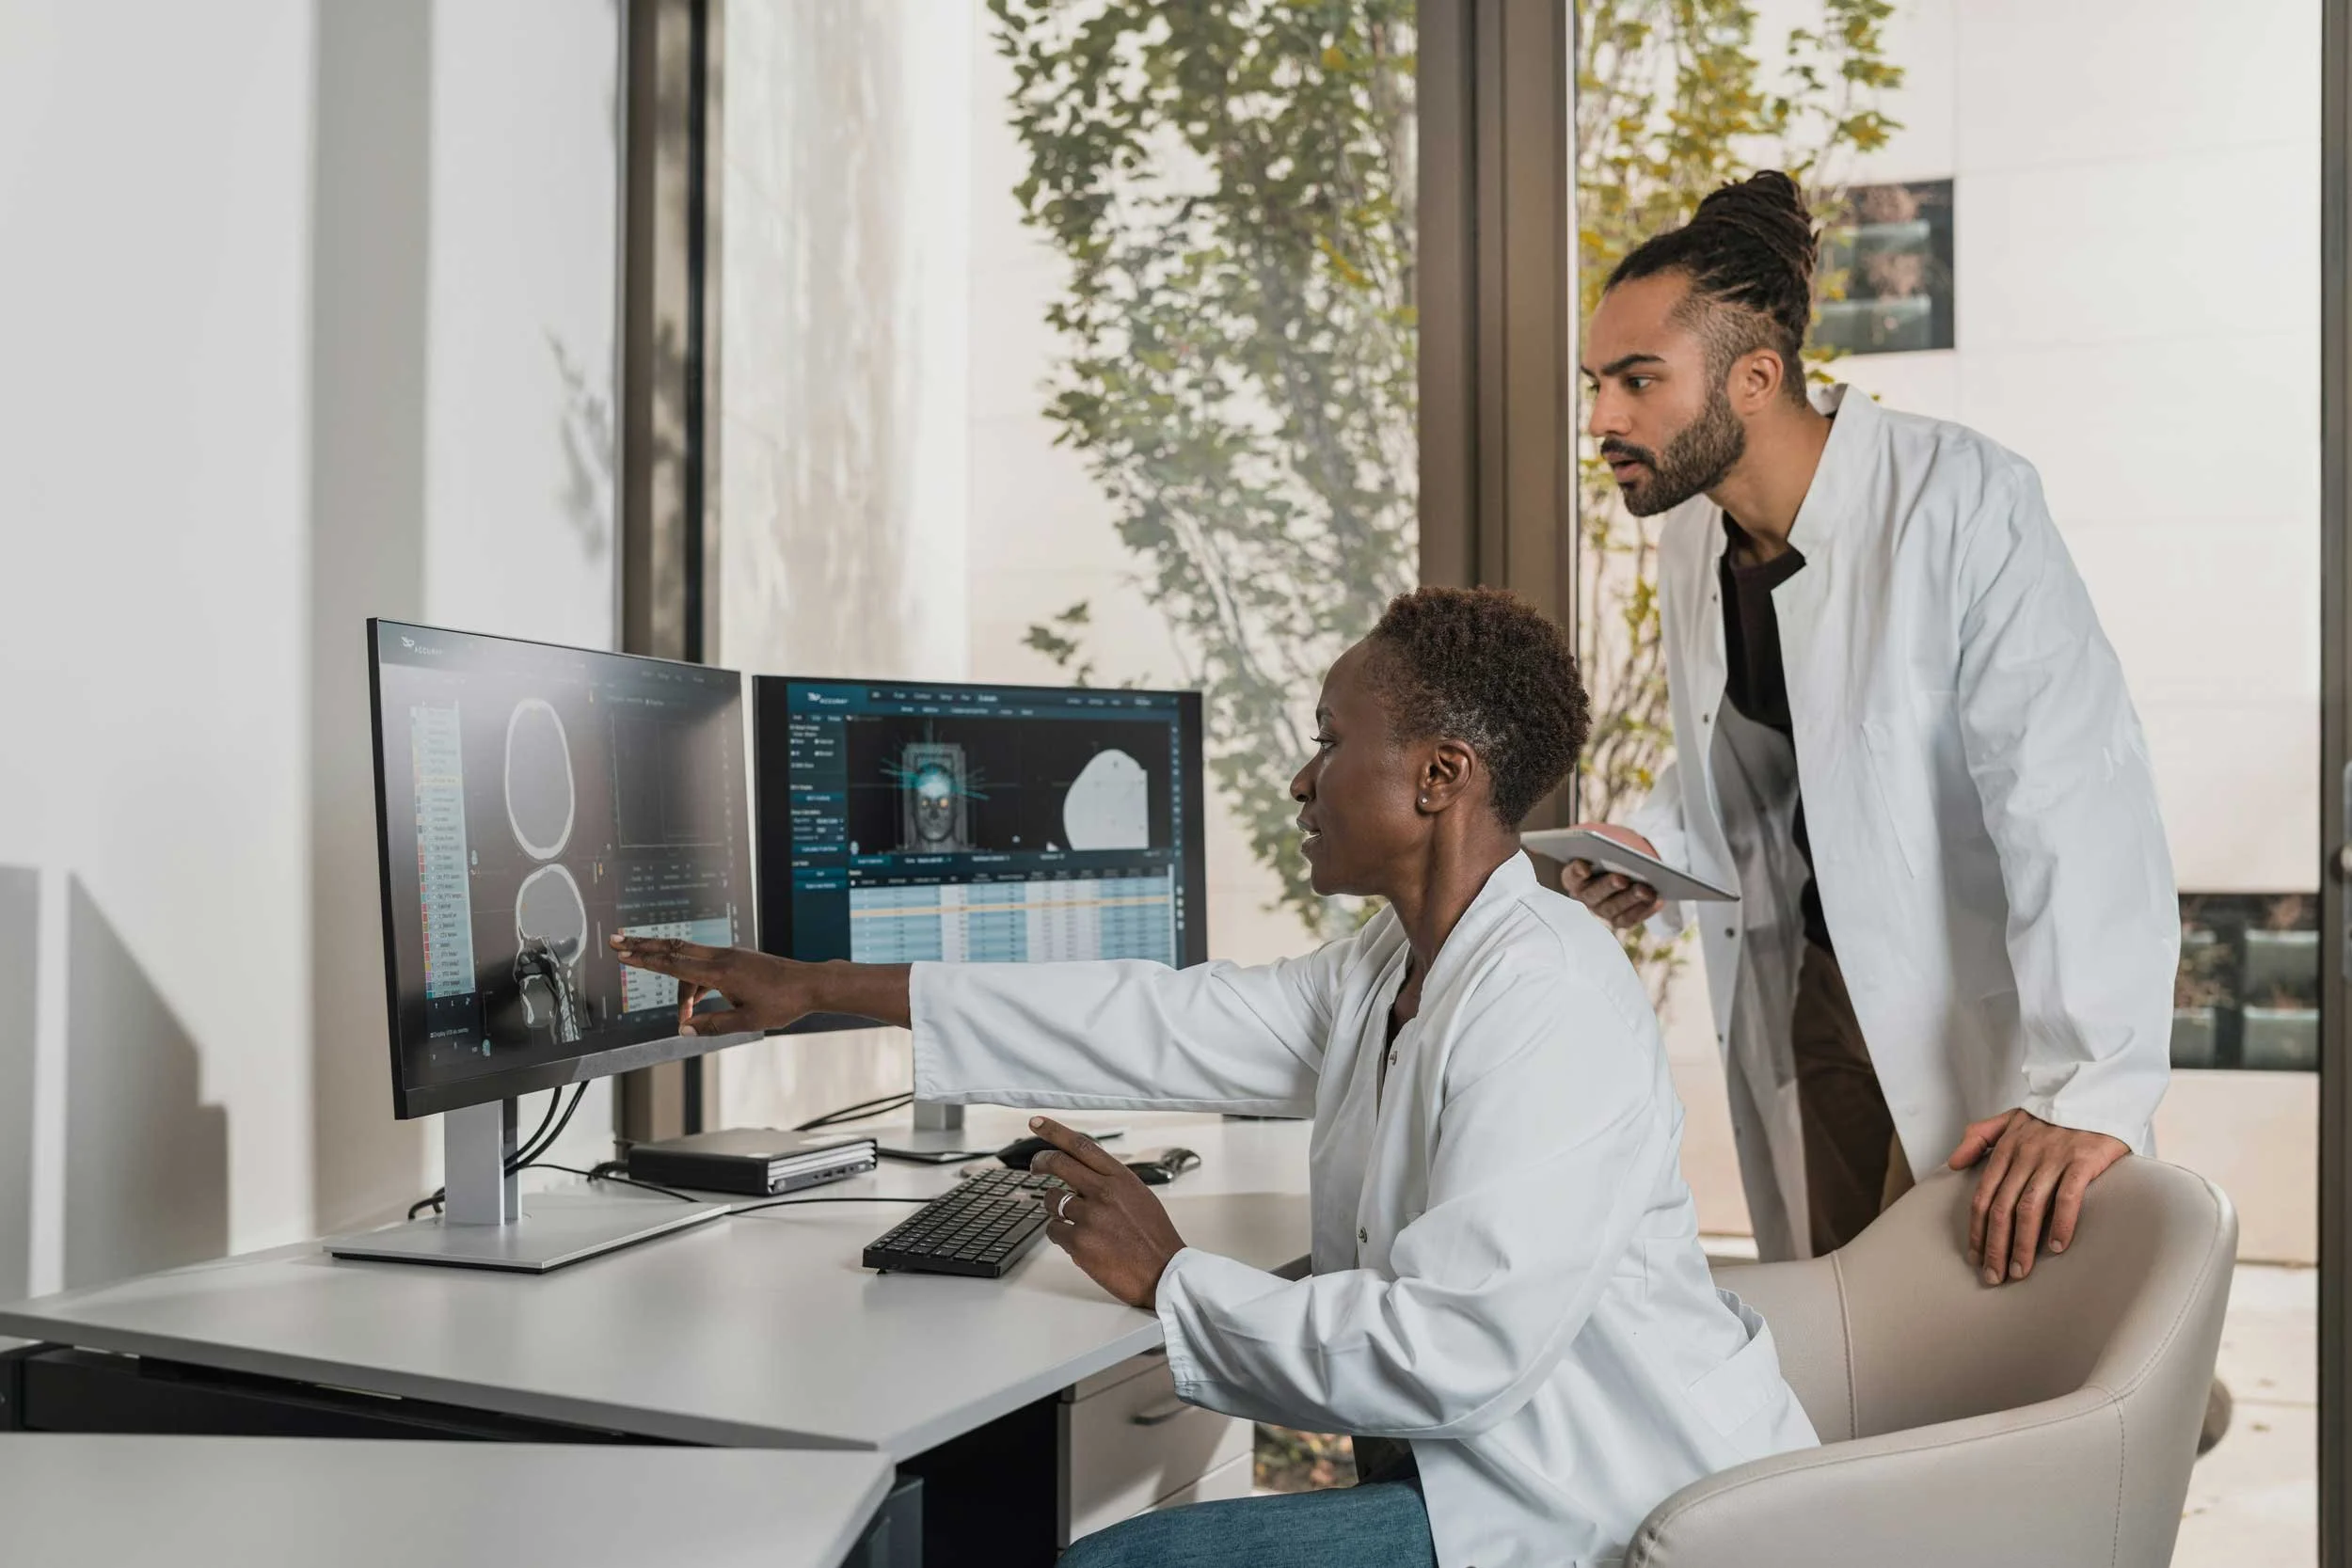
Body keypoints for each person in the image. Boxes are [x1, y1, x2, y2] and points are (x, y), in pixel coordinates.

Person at [613, 586, 1817, 1568]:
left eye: (1331, 741)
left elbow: (1456, 1351)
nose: (1303, 780)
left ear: (1439, 776)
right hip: (1487, 1474)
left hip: (1594, 1511)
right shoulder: (1395, 961)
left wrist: (1174, 1276)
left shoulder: (1547, 992)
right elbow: (1158, 1019)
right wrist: (820, 984)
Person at [1564, 170, 2177, 1285]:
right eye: (1598, 383)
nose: (1602, 417)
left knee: (1986, 1346)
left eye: (1636, 380)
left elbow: (2073, 793)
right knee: (1852, 1335)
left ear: (1754, 376)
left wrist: (2085, 1086)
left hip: (1970, 1009)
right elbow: (1755, 755)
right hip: (1817, 991)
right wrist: (1661, 844)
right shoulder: (1695, 534)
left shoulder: (1958, 496)